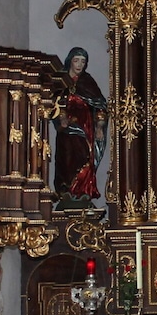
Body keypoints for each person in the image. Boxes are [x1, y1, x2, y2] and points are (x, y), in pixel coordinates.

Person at [53, 47, 108, 206]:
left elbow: (100, 106)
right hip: (67, 130)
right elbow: (54, 104)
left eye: (83, 61)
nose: (80, 65)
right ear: (70, 60)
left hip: (86, 129)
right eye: (77, 60)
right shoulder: (61, 81)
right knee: (67, 159)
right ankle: (68, 192)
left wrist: (99, 127)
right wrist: (61, 118)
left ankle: (83, 191)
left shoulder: (87, 82)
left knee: (85, 156)